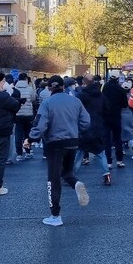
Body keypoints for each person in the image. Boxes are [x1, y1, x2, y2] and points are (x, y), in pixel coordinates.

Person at [29, 75, 91, 226]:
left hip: (54, 143)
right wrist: (77, 130)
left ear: (49, 88)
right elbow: (86, 121)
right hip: (72, 141)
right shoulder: (75, 101)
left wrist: (31, 138)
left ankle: (55, 215)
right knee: (68, 172)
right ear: (64, 87)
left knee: (53, 178)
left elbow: (40, 123)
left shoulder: (47, 103)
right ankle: (76, 184)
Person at [76, 75, 111, 185]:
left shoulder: (81, 96)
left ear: (84, 83)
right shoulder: (101, 95)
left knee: (79, 153)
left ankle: (71, 175)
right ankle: (107, 175)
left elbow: (76, 111)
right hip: (98, 127)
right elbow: (107, 110)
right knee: (100, 153)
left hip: (84, 127)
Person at [102, 72, 127, 169]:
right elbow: (125, 104)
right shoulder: (120, 89)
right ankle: (119, 160)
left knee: (107, 139)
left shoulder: (104, 87)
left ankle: (108, 161)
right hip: (116, 115)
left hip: (106, 116)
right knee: (118, 138)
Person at [13, 73, 37, 161]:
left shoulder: (14, 89)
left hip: (17, 114)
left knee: (18, 134)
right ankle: (28, 151)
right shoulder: (30, 88)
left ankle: (19, 153)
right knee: (28, 134)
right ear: (26, 79)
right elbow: (34, 99)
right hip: (28, 114)